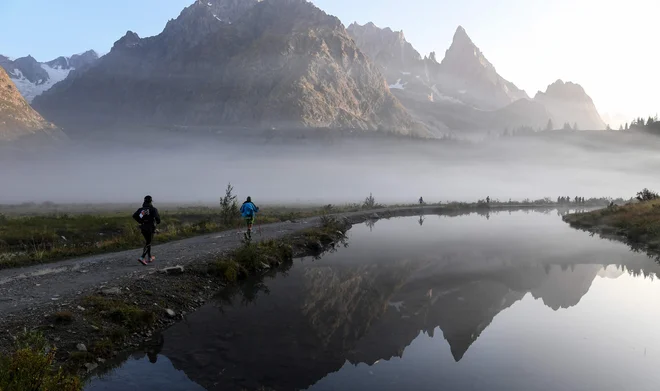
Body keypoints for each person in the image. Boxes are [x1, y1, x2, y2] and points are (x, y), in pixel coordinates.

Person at [132, 195, 161, 266]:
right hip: (150, 227)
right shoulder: (153, 209)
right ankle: (142, 257)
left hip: (143, 227)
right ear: (151, 201)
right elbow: (158, 220)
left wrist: (140, 221)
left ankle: (150, 257)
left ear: (144, 201)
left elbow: (134, 216)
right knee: (149, 242)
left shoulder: (141, 210)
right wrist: (156, 222)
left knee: (148, 241)